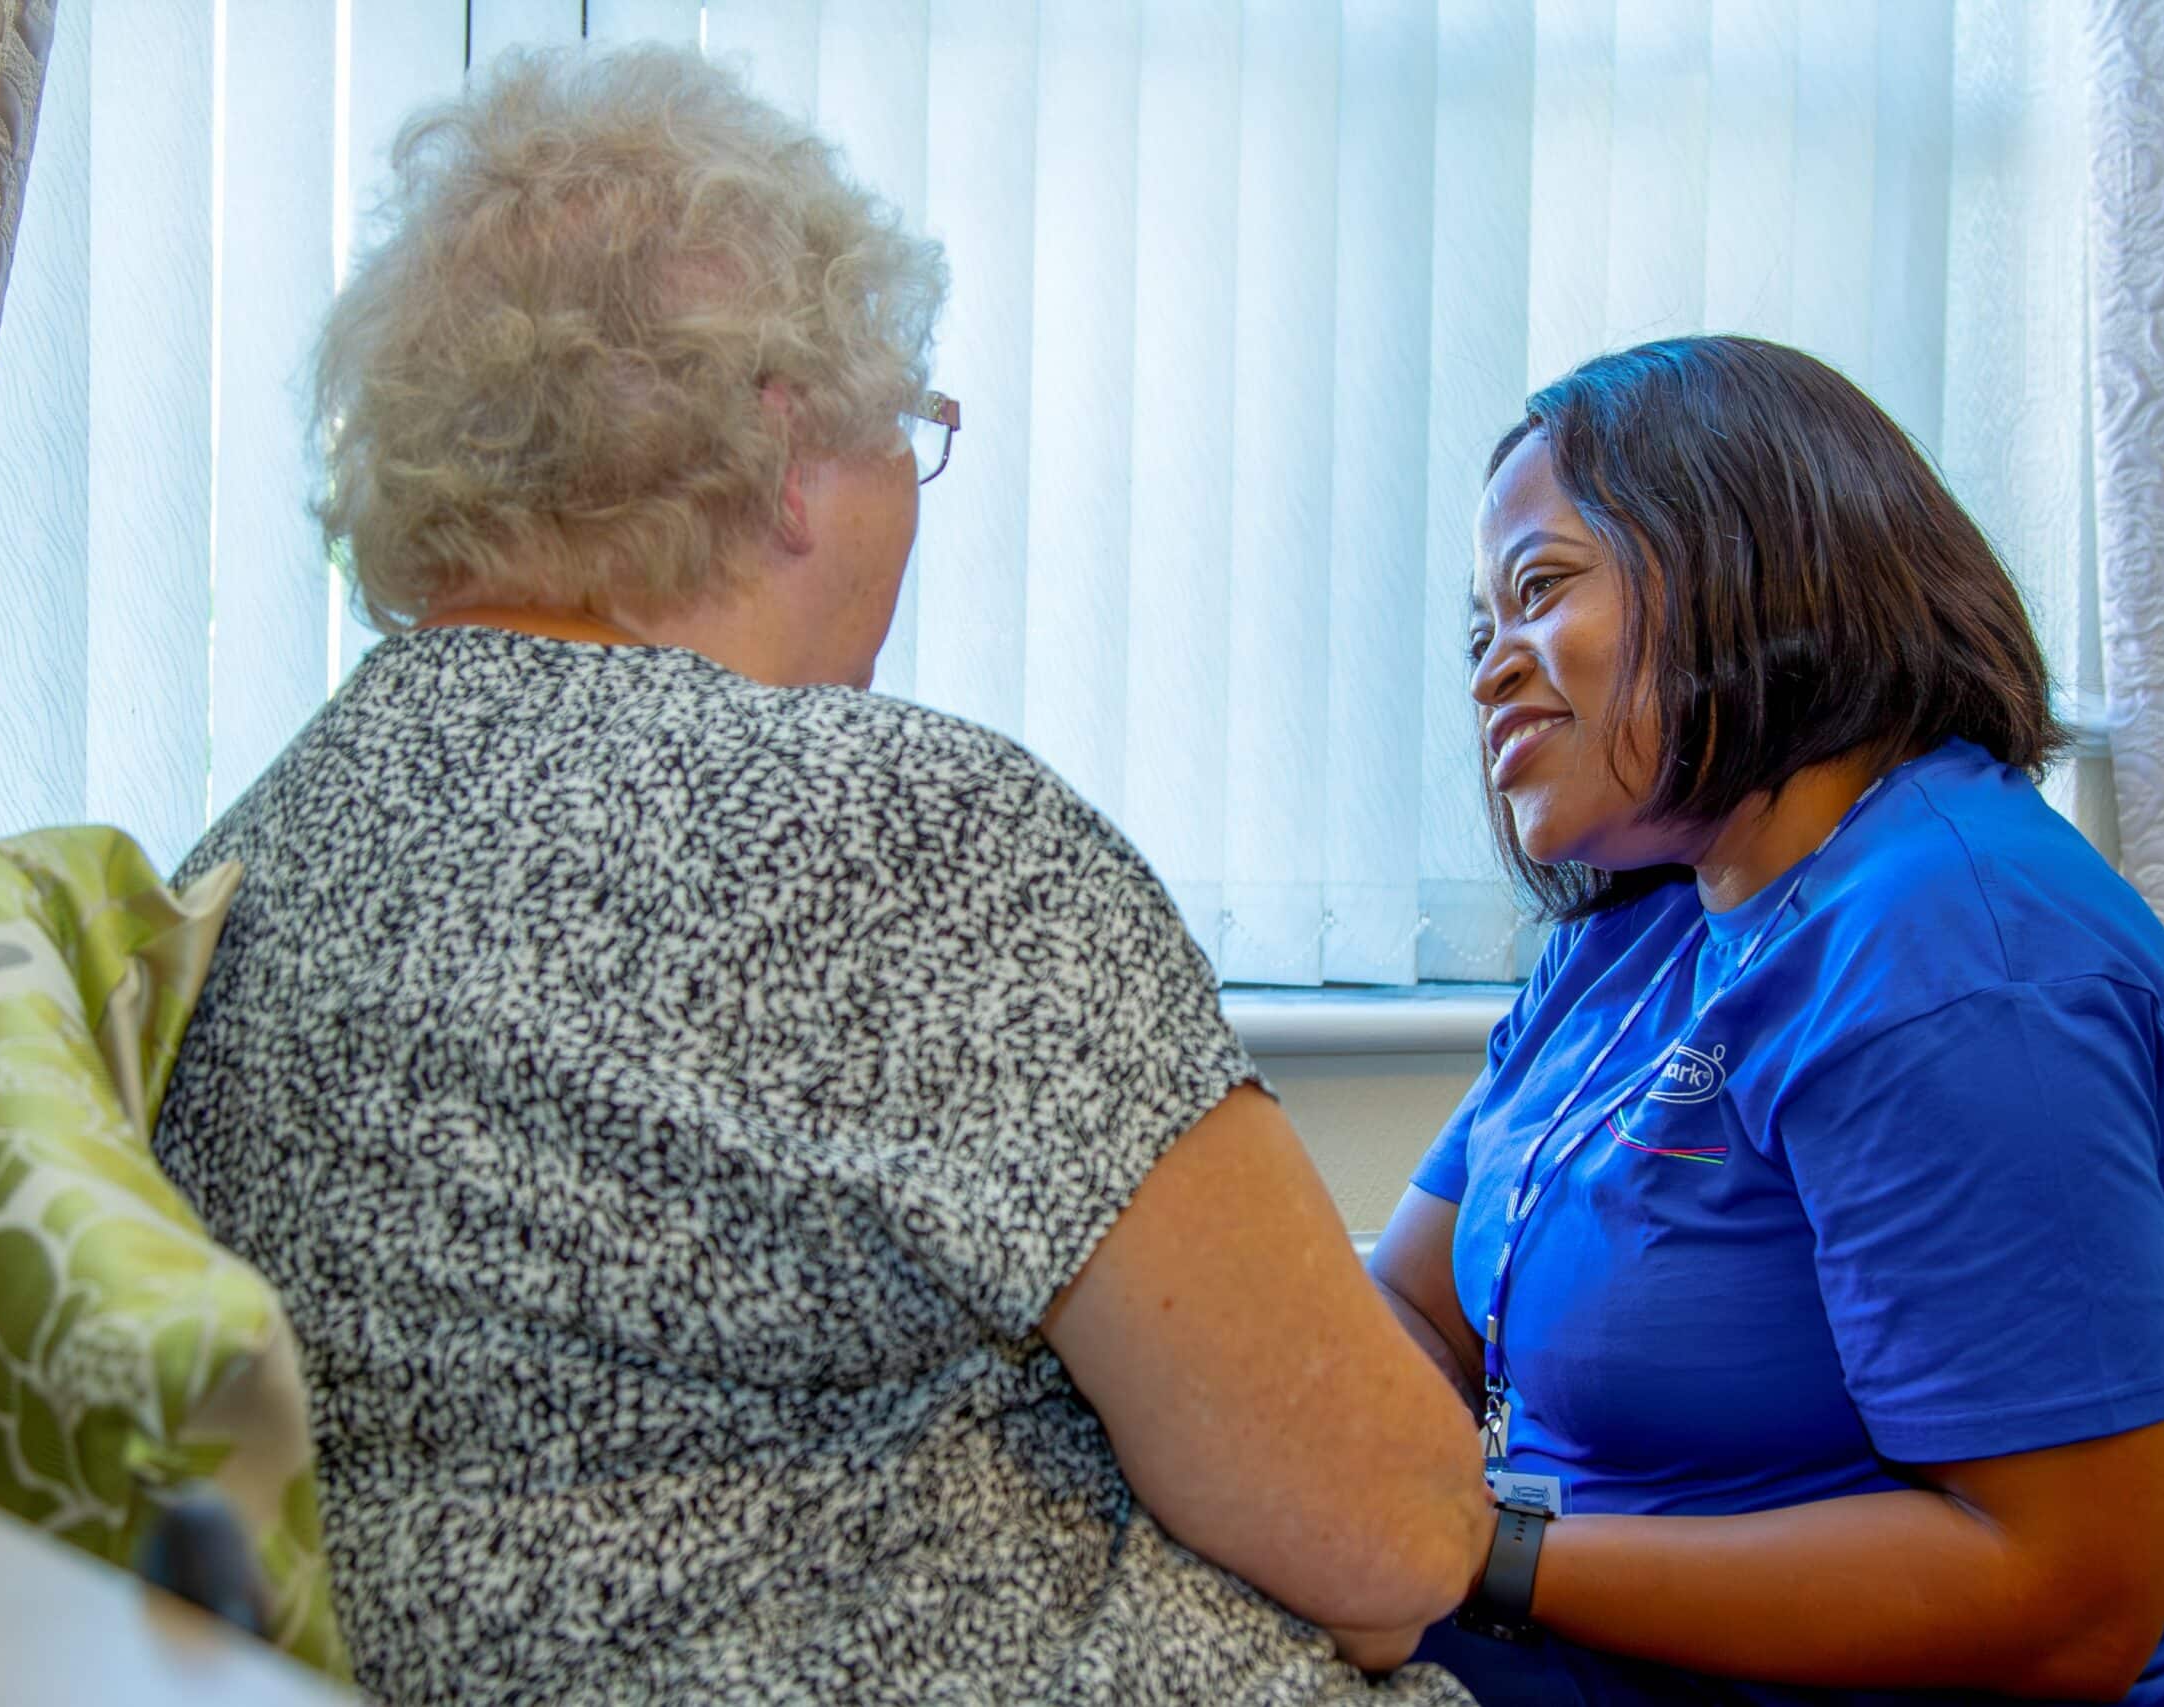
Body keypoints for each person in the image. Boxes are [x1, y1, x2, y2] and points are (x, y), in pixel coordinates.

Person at [153, 45, 1490, 1706]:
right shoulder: (905, 834)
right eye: (909, 430)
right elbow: (1398, 1532)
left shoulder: (243, 863)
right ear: (788, 449)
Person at [1370, 336, 2164, 1705]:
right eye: (1482, 630)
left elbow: (2064, 1596)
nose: (1492, 669)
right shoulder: (1641, 926)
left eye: (1540, 590)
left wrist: (1485, 1554)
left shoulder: (1959, 960)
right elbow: (1421, 1309)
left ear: (1742, 551)